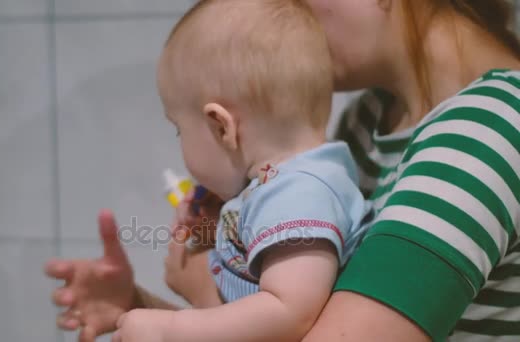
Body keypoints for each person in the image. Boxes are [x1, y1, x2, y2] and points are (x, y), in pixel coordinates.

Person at [45, 0, 520, 341]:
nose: (287, 10)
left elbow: (294, 321)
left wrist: (202, 296)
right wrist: (140, 309)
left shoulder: (488, 127)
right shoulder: (368, 119)